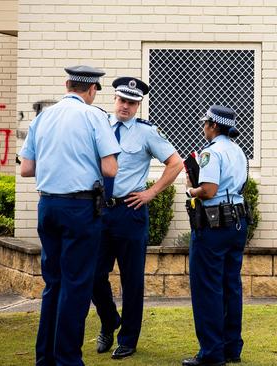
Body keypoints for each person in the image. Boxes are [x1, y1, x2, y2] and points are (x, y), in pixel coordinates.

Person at [19, 65, 121, 366]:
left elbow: (26, 169)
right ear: (91, 90)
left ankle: (46, 359)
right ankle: (68, 360)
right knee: (77, 284)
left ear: (67, 85)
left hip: (48, 206)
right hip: (79, 208)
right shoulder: (94, 116)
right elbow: (110, 169)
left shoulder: (44, 116)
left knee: (54, 284)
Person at [91, 76, 183, 359]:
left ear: (139, 105)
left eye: (132, 103)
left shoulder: (146, 132)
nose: (126, 107)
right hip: (99, 210)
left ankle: (128, 338)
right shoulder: (99, 124)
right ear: (114, 99)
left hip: (130, 212)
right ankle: (109, 321)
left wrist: (151, 192)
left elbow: (176, 163)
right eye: (122, 100)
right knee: (93, 274)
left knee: (132, 280)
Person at [182, 105, 249, 366]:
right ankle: (232, 347)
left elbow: (209, 190)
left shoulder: (211, 152)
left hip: (214, 226)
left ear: (213, 125)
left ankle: (211, 353)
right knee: (231, 285)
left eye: (205, 124)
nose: (203, 128)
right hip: (238, 222)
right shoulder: (239, 150)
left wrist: (191, 189)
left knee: (207, 288)